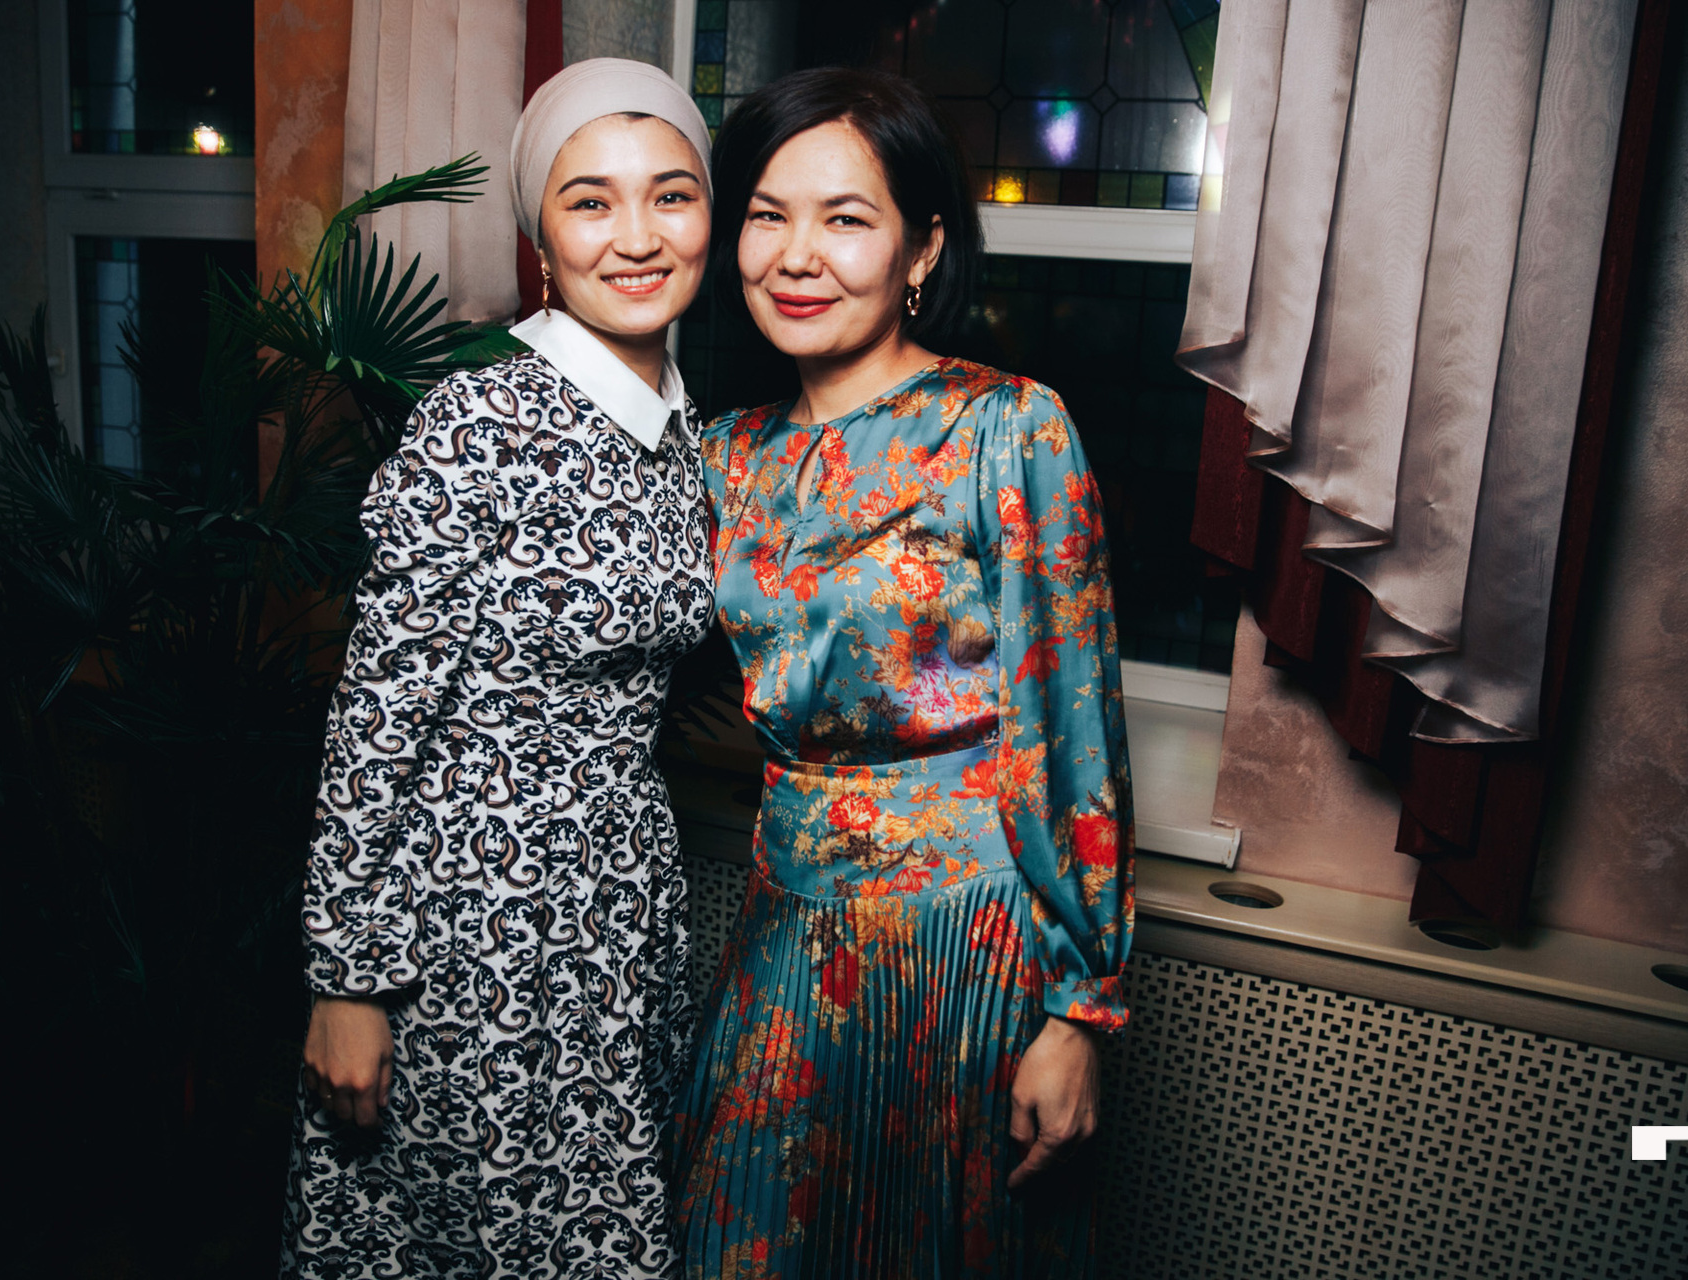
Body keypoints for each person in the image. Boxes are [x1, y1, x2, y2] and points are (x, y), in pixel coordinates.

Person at [674, 67, 1134, 1278]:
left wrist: (1079, 1013)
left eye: (845, 218)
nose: (797, 255)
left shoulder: (1008, 428)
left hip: (966, 943)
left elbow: (1071, 726)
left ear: (922, 247)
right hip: (785, 928)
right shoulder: (721, 455)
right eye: (766, 216)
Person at [282, 59, 716, 1280]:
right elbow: (377, 713)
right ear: (541, 242)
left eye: (671, 194)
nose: (637, 235)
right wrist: (348, 980)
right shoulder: (479, 422)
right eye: (591, 201)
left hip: (620, 913)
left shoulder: (682, 427)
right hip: (477, 927)